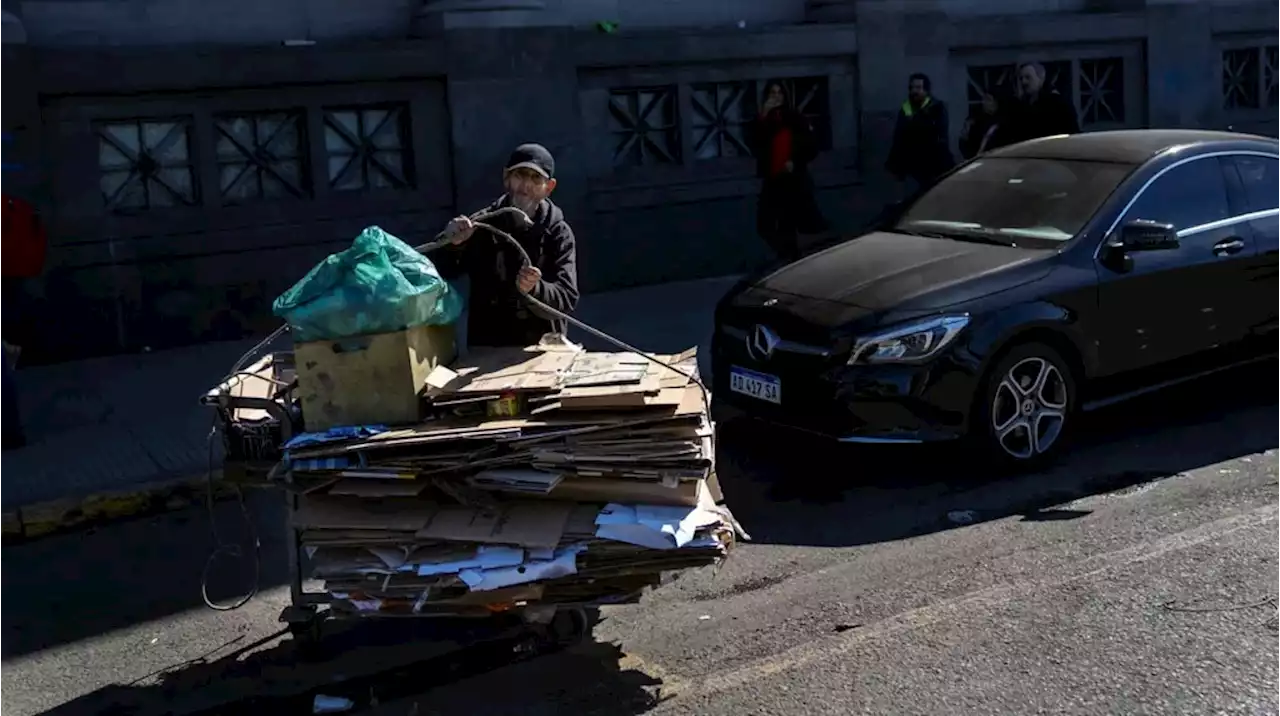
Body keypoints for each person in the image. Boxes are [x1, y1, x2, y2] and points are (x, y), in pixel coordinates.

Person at [431, 143, 579, 348]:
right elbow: (435, 272)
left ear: (549, 187)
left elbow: (566, 298)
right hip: (488, 348)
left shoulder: (558, 233)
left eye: (536, 178)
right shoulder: (482, 225)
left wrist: (535, 289)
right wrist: (451, 243)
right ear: (506, 178)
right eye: (520, 175)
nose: (526, 185)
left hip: (542, 348)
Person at [748, 80, 828, 263]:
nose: (775, 97)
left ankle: (791, 260)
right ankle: (788, 255)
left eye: (779, 93)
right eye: (772, 93)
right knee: (764, 226)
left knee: (788, 226)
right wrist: (763, 115)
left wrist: (795, 161)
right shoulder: (763, 120)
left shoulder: (794, 117)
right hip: (773, 180)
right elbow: (756, 145)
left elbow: (811, 146)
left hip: (793, 180)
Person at [885, 72, 955, 195]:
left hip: (933, 163)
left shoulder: (936, 107)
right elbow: (899, 136)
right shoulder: (906, 108)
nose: (914, 91)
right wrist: (895, 164)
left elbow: (940, 135)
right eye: (912, 87)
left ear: (926, 90)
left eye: (918, 88)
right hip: (912, 165)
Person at [1001, 62, 1081, 145]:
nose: (1023, 82)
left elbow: (1070, 132)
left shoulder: (1057, 104)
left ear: (1041, 77)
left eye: (1028, 77)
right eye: (1021, 78)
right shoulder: (1021, 105)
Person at [959, 92, 1004, 159]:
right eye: (984, 99)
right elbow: (964, 138)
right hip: (974, 157)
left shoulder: (1001, 119)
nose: (984, 102)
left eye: (988, 99)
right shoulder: (976, 117)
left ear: (995, 102)